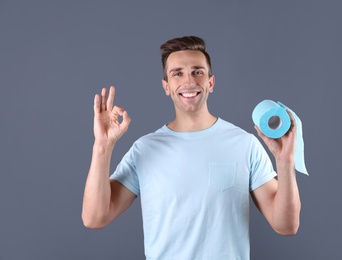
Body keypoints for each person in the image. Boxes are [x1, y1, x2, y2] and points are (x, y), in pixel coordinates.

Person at [82, 36, 301, 259]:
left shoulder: (245, 144)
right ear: (166, 86)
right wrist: (102, 147)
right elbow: (95, 218)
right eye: (178, 73)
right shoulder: (144, 150)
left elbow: (286, 225)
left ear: (211, 83)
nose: (189, 81)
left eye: (198, 72)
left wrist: (285, 163)